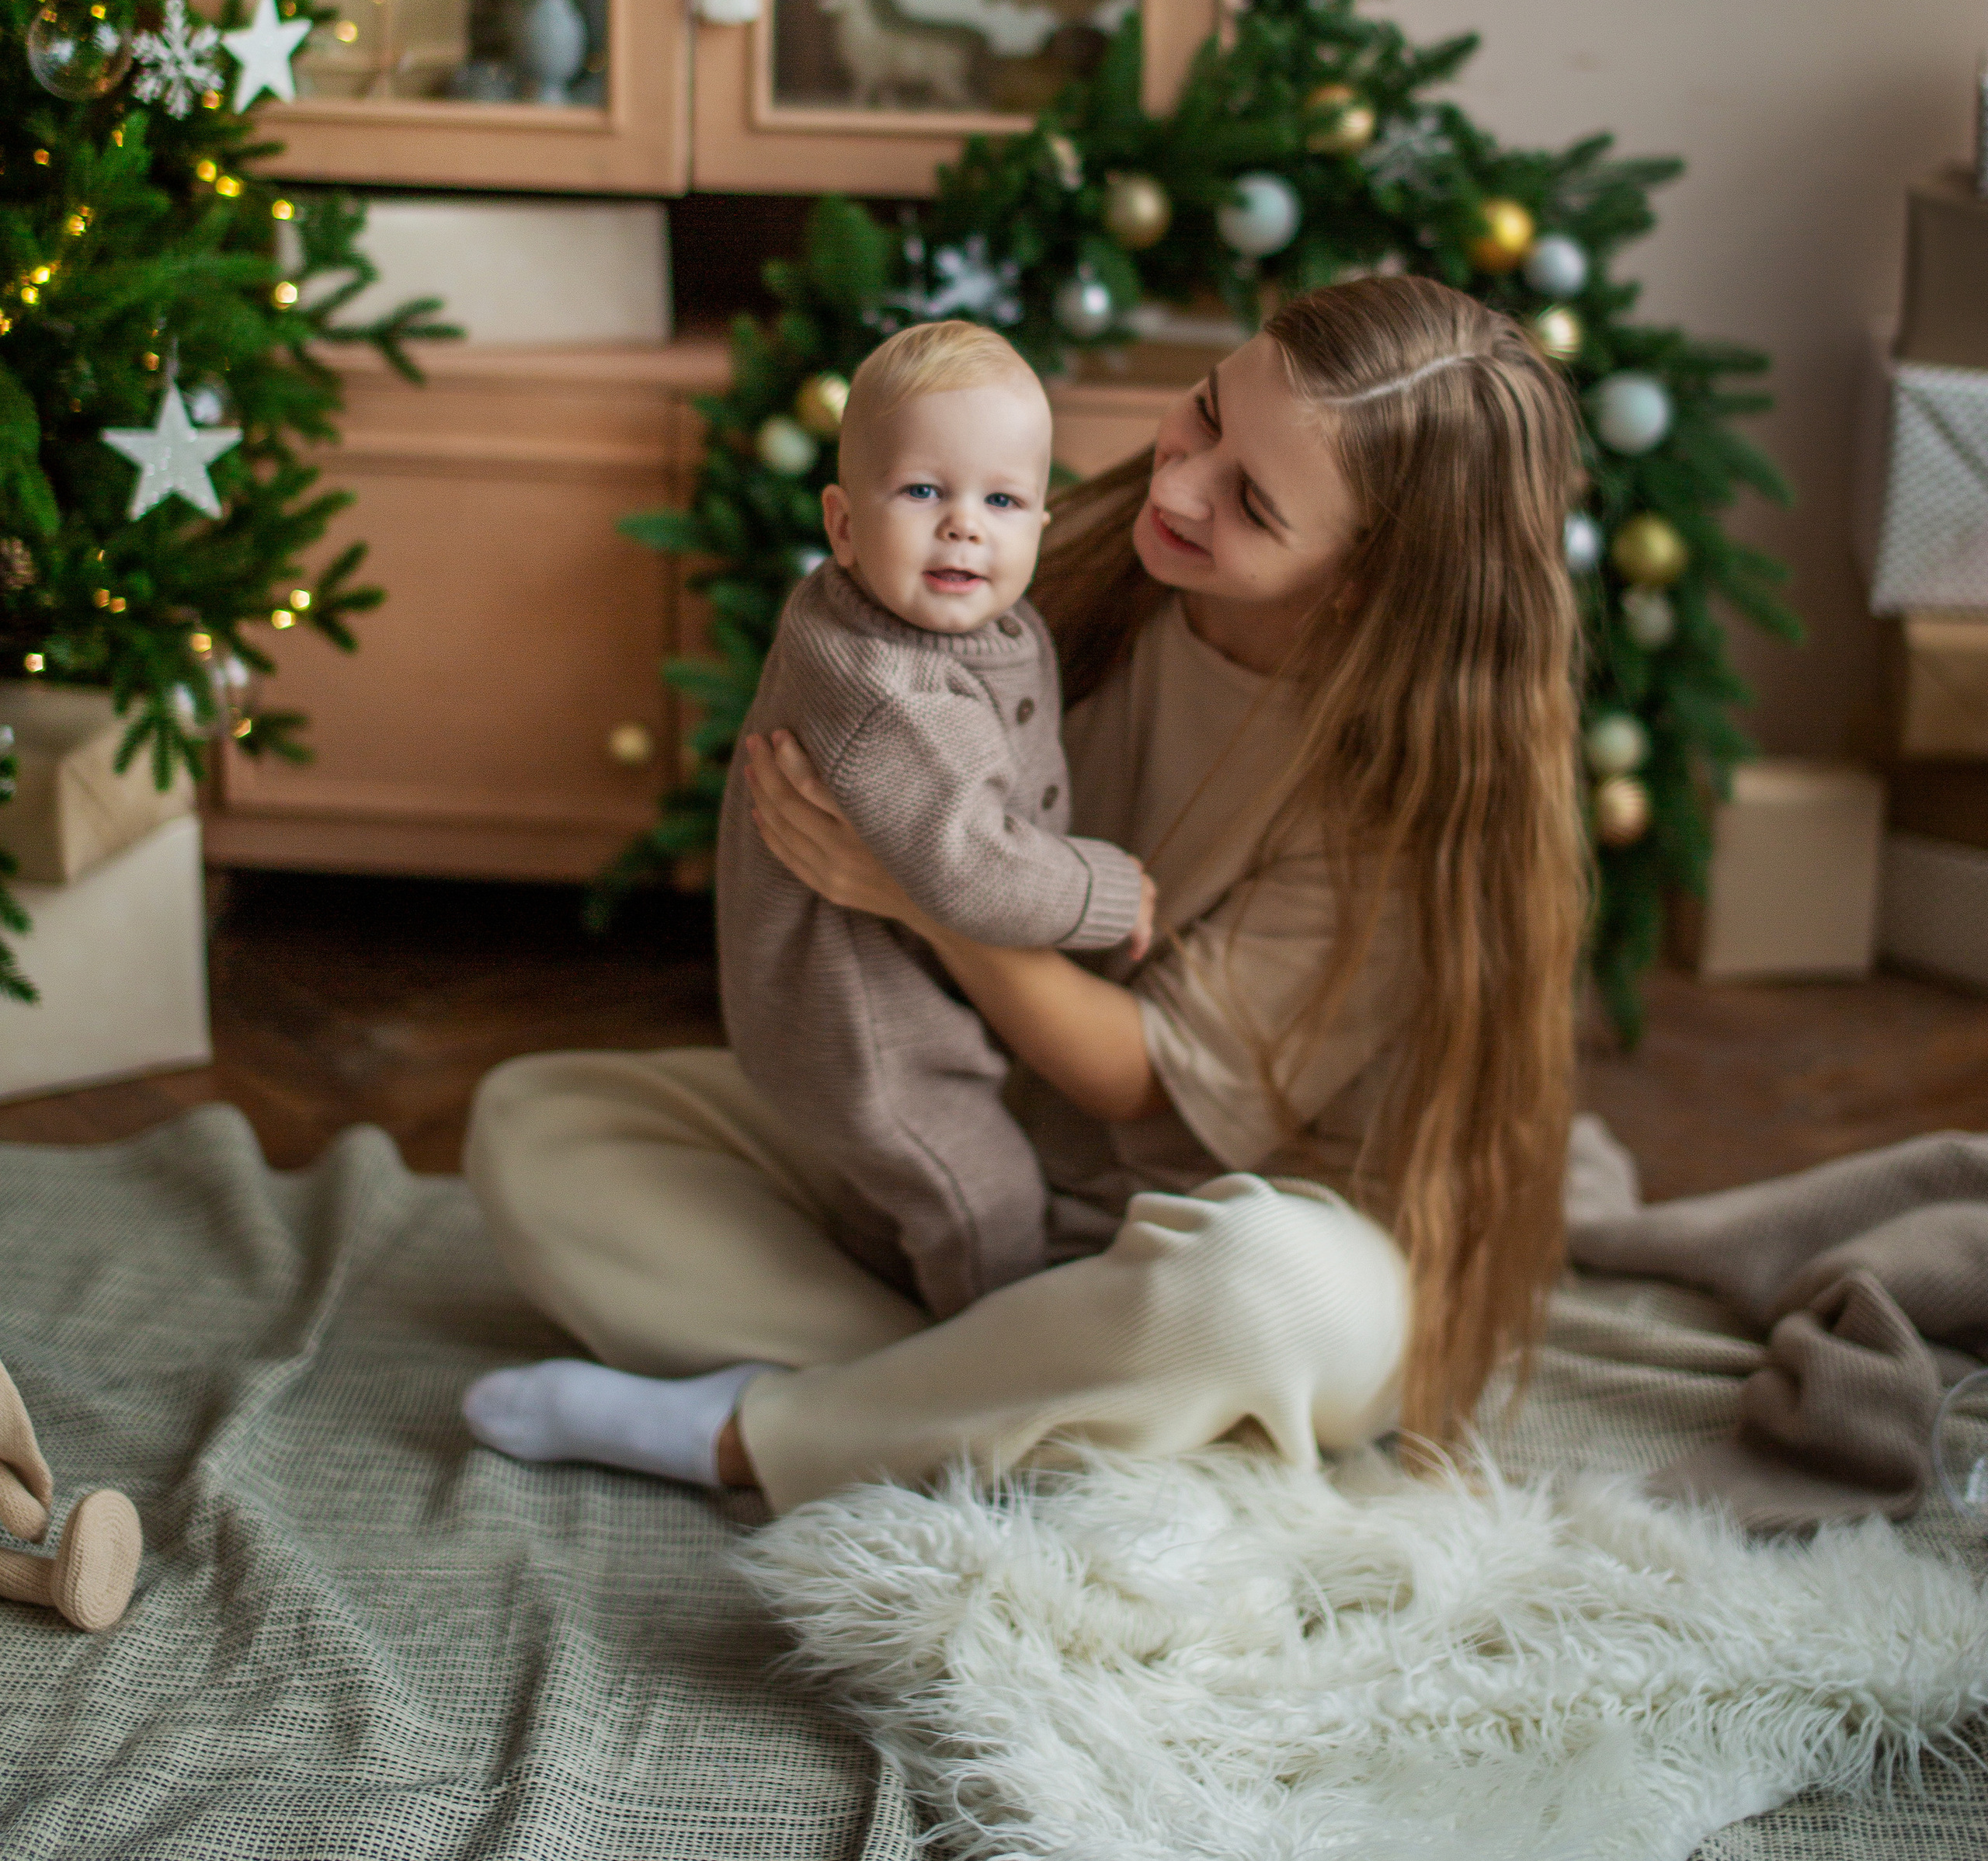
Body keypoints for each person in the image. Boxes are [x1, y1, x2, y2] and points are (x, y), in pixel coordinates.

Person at [461, 275, 1586, 1516]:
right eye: (1207, 413)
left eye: (1253, 503)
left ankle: (770, 1431)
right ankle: (1029, 1400)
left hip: (1231, 1227)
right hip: (994, 1143)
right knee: (538, 1129)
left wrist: (918, 892)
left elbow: (1137, 1078)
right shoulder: (1076, 566)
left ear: (1366, 577)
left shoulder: (1407, 803)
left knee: (1257, 1290)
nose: (1177, 486)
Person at [714, 319, 1152, 1322]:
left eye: (1001, 501)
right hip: (864, 1027)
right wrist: (1104, 890)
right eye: (922, 492)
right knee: (979, 1194)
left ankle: (877, 1303)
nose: (964, 527)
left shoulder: (982, 619)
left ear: (1041, 522)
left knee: (904, 1190)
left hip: (915, 987)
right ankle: (985, 1365)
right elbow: (973, 868)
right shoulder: (884, 690)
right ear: (842, 524)